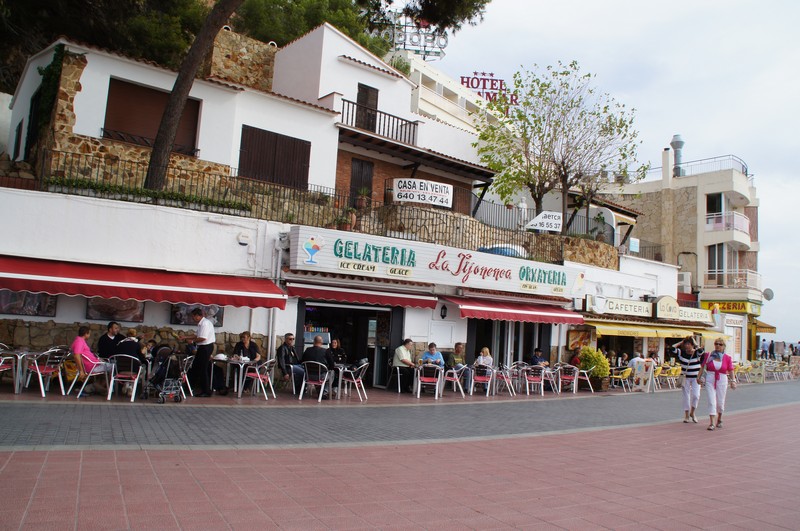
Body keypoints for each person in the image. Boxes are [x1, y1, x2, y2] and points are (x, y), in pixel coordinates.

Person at [698, 338, 736, 431]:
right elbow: (702, 367)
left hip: (722, 379)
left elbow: (731, 370)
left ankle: (719, 418)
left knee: (720, 402)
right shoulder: (708, 355)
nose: (718, 346)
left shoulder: (727, 358)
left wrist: (733, 381)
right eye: (716, 344)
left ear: (724, 346)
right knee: (711, 401)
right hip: (710, 378)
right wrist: (698, 377)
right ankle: (712, 423)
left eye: (720, 344)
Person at [182, 308, 215, 397]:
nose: (193, 318)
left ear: (197, 316)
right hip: (202, 347)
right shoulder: (201, 324)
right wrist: (185, 337)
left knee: (202, 369)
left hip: (206, 347)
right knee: (195, 367)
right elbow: (196, 335)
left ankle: (206, 391)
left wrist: (192, 342)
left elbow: (203, 338)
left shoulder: (205, 324)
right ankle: (189, 387)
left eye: (193, 316)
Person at [70, 326, 112, 395]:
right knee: (113, 367)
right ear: (86, 334)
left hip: (93, 364)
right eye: (89, 333)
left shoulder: (79, 340)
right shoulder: (79, 342)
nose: (89, 335)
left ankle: (98, 387)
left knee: (106, 369)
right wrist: (81, 370)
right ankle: (104, 389)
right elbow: (77, 355)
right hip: (92, 366)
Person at [677, 336, 703, 423]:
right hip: (685, 378)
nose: (687, 346)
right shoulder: (682, 353)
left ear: (692, 345)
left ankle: (693, 412)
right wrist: (681, 342)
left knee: (696, 395)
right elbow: (672, 348)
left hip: (696, 378)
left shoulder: (697, 353)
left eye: (689, 344)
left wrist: (696, 344)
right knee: (686, 396)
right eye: (686, 344)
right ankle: (686, 415)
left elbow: (701, 350)